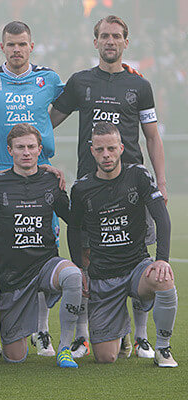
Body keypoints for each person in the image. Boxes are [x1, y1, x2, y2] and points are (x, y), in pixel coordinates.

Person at [51, 15, 166, 358]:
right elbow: (48, 122)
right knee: (88, 260)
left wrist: (160, 180)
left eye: (116, 36)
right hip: (91, 186)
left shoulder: (139, 86)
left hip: (133, 187)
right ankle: (85, 335)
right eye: (104, 36)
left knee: (139, 257)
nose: (110, 41)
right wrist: (41, 161)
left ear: (126, 42)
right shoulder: (80, 82)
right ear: (95, 41)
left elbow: (152, 136)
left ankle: (142, 335)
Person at [0, 21, 65, 359]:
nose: (17, 50)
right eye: (11, 44)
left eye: (22, 44)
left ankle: (42, 330)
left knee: (41, 251)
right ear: (2, 47)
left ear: (31, 46)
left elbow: (78, 97)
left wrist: (45, 148)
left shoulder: (49, 79)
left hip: (39, 179)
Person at [0, 123, 83, 368]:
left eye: (31, 147)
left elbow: (73, 219)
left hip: (45, 266)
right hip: (13, 276)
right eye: (20, 147)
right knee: (15, 357)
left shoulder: (51, 181)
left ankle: (64, 348)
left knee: (72, 275)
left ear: (40, 149)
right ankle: (0, 339)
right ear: (10, 150)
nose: (26, 152)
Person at [67, 122, 177, 367]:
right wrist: (80, 268)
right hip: (104, 276)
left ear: (121, 148)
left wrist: (162, 258)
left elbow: (161, 216)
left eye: (111, 148)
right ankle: (122, 333)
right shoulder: (82, 188)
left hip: (137, 267)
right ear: (92, 151)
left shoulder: (138, 175)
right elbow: (74, 228)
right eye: (100, 149)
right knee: (106, 358)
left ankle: (163, 348)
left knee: (164, 278)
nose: (106, 155)